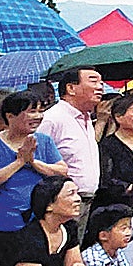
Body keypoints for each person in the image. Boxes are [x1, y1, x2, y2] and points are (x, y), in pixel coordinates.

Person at [0, 89, 71, 266]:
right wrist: (19, 162)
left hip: (33, 225)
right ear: (10, 116)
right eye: (30, 111)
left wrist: (34, 163)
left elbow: (62, 171)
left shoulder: (44, 141)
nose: (37, 117)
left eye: (40, 111)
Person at [37, 69, 104, 216]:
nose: (100, 87)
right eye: (93, 81)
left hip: (87, 200)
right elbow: (36, 159)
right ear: (71, 88)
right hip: (60, 203)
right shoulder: (52, 119)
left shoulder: (87, 118)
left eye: (101, 82)